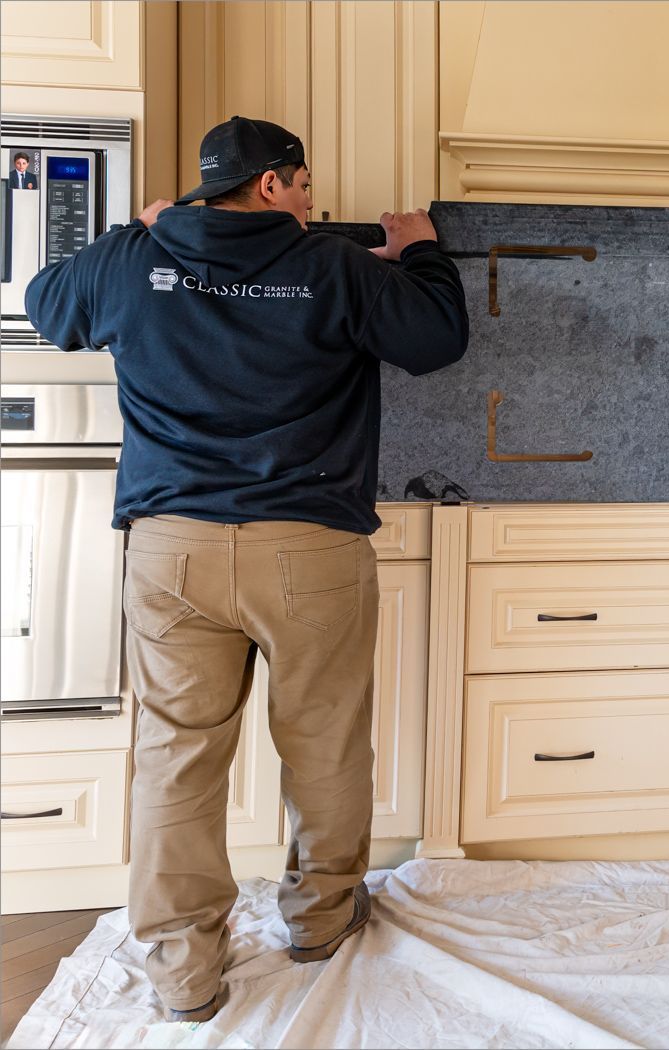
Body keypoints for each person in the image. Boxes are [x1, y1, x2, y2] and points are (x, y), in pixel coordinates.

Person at [24, 116, 469, 1021]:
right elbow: (436, 339)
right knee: (325, 745)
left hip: (172, 552)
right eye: (303, 184)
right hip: (309, 550)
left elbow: (44, 305)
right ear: (270, 185)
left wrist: (133, 233)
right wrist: (421, 250)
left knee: (175, 761)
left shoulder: (131, 261)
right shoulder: (338, 269)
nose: (310, 200)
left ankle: (185, 972)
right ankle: (319, 918)